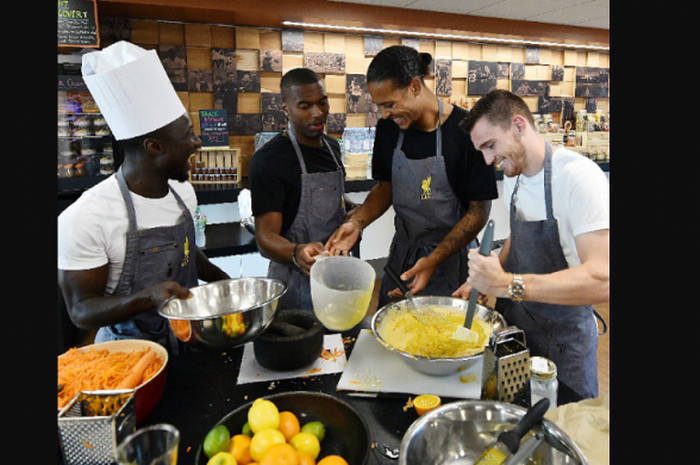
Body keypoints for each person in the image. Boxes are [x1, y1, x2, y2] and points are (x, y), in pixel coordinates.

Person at [58, 41, 229, 347]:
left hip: (191, 342)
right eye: (188, 133)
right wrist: (146, 298)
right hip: (128, 355)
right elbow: (81, 310)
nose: (198, 142)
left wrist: (228, 285)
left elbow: (187, 253)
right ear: (154, 147)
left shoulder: (183, 193)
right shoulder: (85, 218)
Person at [453, 89, 609, 399]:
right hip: (518, 330)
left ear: (519, 126)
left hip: (563, 343)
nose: (488, 160)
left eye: (490, 146)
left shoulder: (578, 178)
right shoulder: (517, 174)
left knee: (563, 427)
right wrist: (492, 273)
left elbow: (602, 278)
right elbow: (519, 236)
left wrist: (509, 284)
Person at [326, 46, 497, 307]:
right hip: (404, 254)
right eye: (380, 106)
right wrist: (357, 222)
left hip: (454, 260)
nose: (384, 114)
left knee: (443, 336)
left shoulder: (468, 132)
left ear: (415, 86)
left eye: (390, 104)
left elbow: (478, 212)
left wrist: (433, 259)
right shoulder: (389, 129)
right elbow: (386, 187)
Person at [249, 68, 358, 310]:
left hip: (337, 274)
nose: (318, 113)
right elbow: (265, 238)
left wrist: (353, 211)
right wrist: (297, 252)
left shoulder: (332, 147)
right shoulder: (270, 159)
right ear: (286, 107)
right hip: (295, 281)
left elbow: (333, 197)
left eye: (322, 103)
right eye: (305, 106)